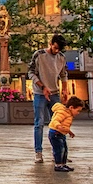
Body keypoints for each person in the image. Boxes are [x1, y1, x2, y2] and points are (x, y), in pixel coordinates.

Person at [29, 34, 68, 164]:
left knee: (58, 122)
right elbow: (31, 72)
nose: (56, 51)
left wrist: (65, 89)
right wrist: (42, 87)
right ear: (50, 43)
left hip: (54, 93)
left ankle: (59, 152)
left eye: (59, 49)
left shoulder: (61, 57)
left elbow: (63, 74)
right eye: (55, 48)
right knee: (39, 123)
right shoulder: (39, 55)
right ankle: (38, 153)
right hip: (39, 93)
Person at [49, 96, 84, 172]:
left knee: (64, 149)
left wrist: (69, 132)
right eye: (78, 111)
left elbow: (65, 125)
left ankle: (63, 164)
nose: (78, 113)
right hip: (56, 133)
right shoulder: (62, 112)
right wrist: (59, 126)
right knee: (59, 149)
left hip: (61, 134)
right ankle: (58, 165)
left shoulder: (69, 114)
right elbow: (55, 121)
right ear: (71, 107)